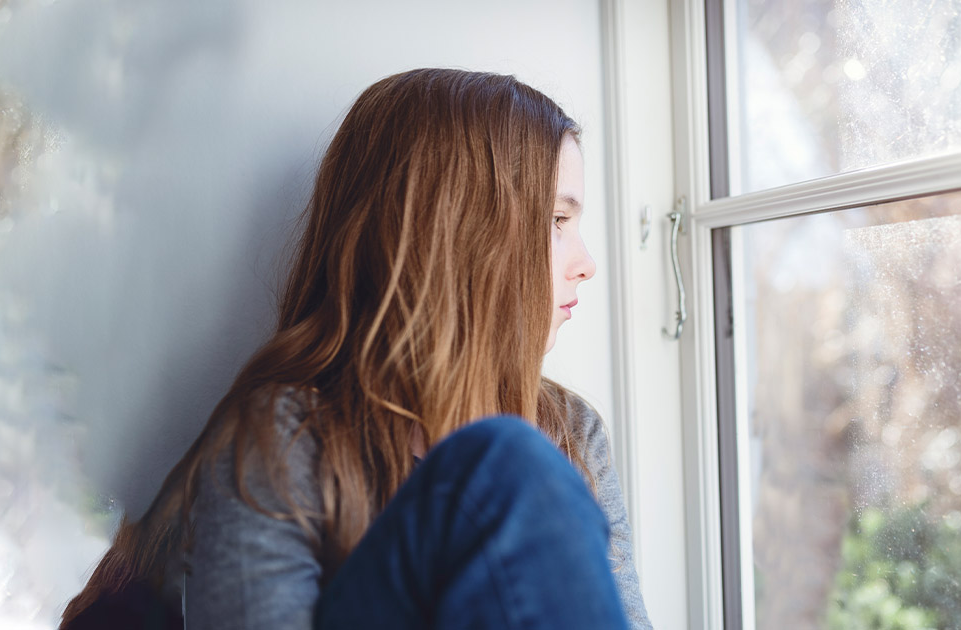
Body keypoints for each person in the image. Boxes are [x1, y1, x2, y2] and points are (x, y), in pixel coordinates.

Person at [60, 68, 652, 629]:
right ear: (452, 237)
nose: (586, 264)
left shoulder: (573, 430)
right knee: (508, 460)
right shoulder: (280, 442)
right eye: (554, 220)